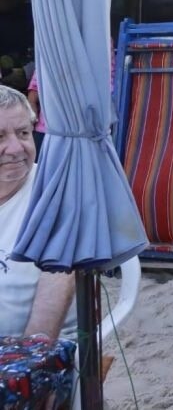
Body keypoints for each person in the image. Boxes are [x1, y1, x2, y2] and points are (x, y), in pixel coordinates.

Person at [0, 85, 76, 341]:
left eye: (23, 133)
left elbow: (58, 280)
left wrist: (30, 354)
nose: (15, 148)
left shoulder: (54, 192)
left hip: (22, 356)